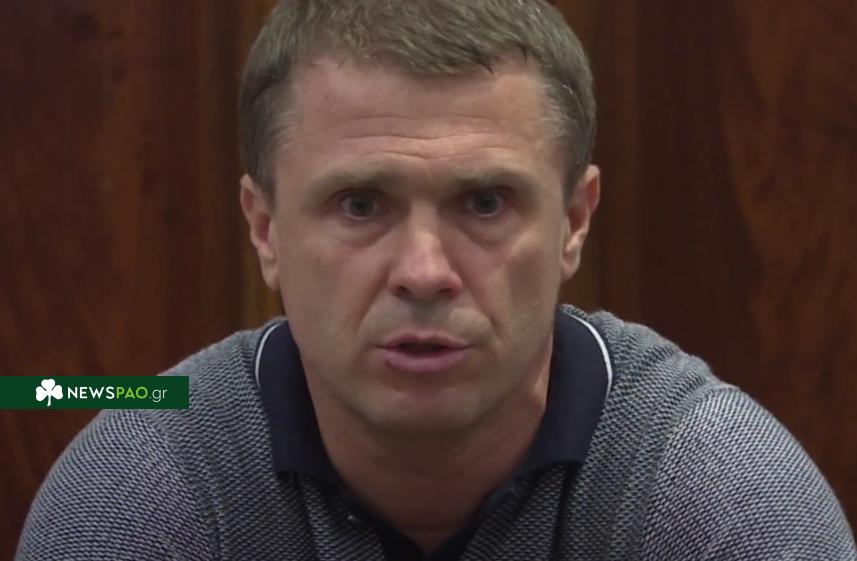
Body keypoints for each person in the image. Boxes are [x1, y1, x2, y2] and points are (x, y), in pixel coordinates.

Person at [16, 0, 856, 559]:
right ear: (265, 229)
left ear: (573, 221)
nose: (424, 272)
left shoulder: (724, 501)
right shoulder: (140, 490)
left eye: (484, 203)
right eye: (359, 204)